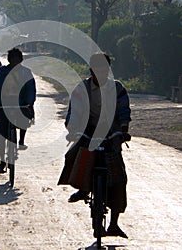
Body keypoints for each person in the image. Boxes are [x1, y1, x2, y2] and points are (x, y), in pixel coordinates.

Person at [58, 52, 131, 239]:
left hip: (111, 132)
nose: (101, 71)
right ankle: (83, 188)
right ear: (91, 70)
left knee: (119, 178)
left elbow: (123, 112)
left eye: (104, 68)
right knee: (73, 157)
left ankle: (114, 224)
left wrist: (123, 131)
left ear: (108, 69)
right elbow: (75, 113)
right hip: (87, 130)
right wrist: (73, 129)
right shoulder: (81, 89)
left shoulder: (118, 89)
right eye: (97, 68)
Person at [0, 48, 36, 174]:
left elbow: (31, 89)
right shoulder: (1, 73)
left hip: (21, 104)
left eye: (18, 59)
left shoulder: (26, 73)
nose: (15, 62)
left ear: (21, 60)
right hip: (3, 104)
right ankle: (2, 161)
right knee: (0, 134)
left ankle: (21, 140)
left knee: (25, 118)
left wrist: (29, 102)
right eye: (13, 59)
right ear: (10, 60)